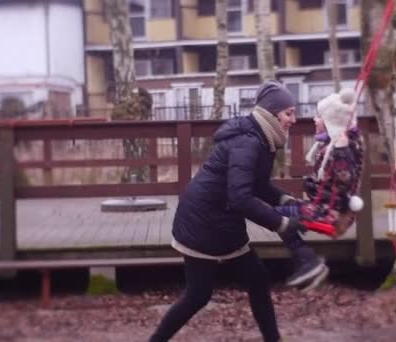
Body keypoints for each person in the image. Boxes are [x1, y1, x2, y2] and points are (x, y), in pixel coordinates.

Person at [149, 80, 308, 342]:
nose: (294, 119)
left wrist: (284, 199)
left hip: (221, 222)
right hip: (202, 223)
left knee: (257, 280)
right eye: (289, 113)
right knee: (198, 296)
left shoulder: (261, 137)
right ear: (272, 113)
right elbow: (241, 199)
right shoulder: (250, 143)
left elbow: (254, 183)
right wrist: (281, 223)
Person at [274, 88, 364, 291]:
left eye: (319, 116)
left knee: (272, 216)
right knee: (277, 213)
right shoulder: (337, 144)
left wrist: (340, 150)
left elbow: (345, 179)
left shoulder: (342, 147)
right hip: (325, 209)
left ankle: (308, 261)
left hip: (328, 215)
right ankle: (306, 260)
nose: (315, 120)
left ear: (331, 120)